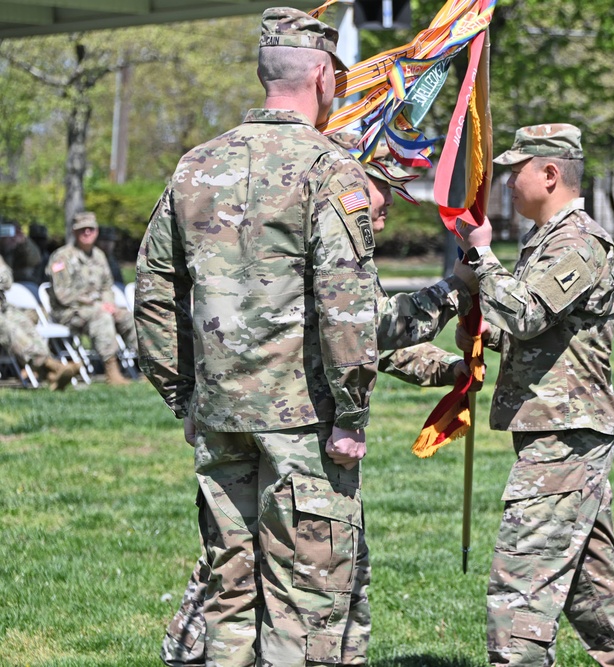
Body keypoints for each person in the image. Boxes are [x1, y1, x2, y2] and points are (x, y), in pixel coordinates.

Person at [135, 9, 474, 667]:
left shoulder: (194, 168)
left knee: (227, 598)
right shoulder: (329, 168)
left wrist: (186, 398)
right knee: (309, 605)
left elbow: (153, 293)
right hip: (305, 423)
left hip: (222, 414)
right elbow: (348, 306)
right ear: (321, 74)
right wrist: (350, 414)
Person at [454, 124, 614, 667]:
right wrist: (477, 325)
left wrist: (483, 260)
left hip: (564, 436)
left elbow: (525, 314)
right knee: (594, 592)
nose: (505, 183)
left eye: (513, 171)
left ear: (549, 173)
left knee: (519, 590)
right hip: (555, 429)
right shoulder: (546, 241)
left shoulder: (579, 242)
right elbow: (539, 335)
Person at [45, 211, 136, 385]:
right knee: (101, 316)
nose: (87, 233)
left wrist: (109, 303)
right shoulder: (61, 257)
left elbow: (107, 287)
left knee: (128, 317)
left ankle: (150, 366)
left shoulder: (99, 256)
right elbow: (63, 295)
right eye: (82, 230)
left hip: (97, 308)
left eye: (91, 229)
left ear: (96, 231)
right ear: (74, 232)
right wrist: (98, 304)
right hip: (68, 312)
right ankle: (111, 371)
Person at [1, 255, 82, 389]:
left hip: (3, 307)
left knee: (25, 322)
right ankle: (53, 367)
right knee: (8, 328)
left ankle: (50, 373)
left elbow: (7, 280)